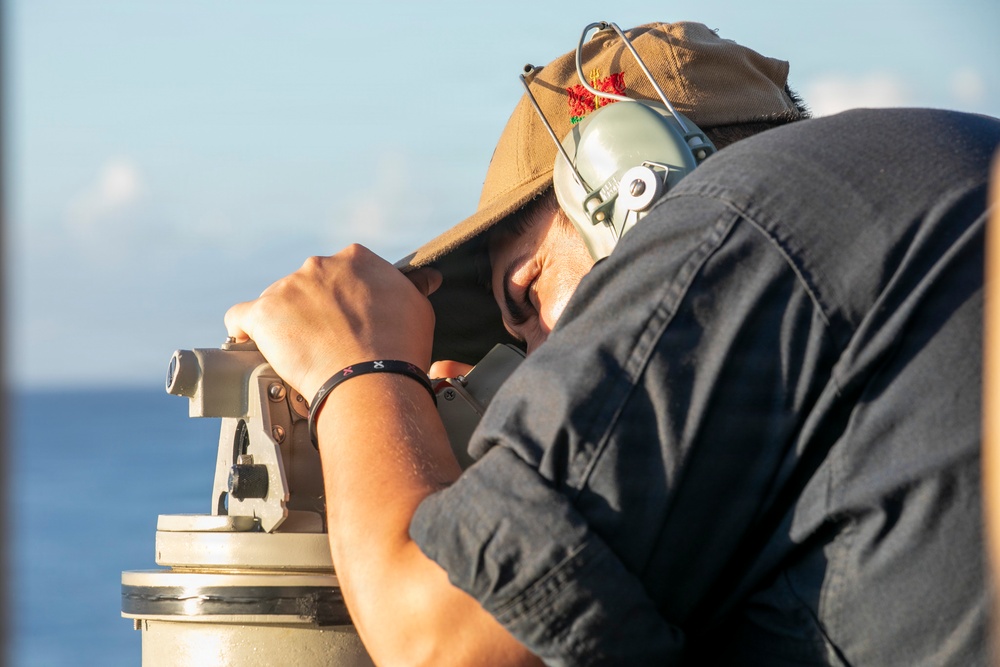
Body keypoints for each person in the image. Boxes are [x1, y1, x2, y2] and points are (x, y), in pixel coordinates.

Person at [224, 21, 1000, 666]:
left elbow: (443, 642)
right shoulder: (910, 204)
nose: (537, 362)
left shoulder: (724, 226)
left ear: (630, 185)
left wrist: (362, 377)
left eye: (524, 299)